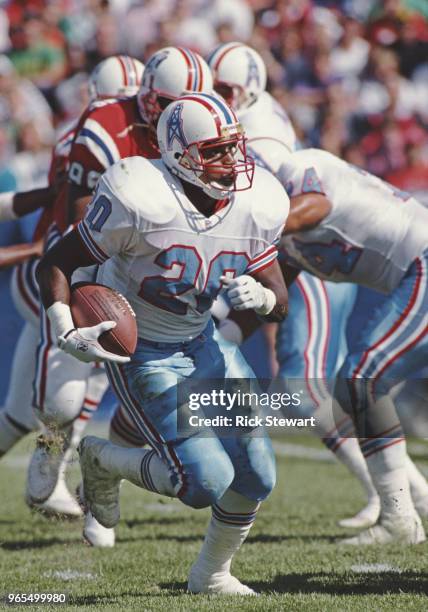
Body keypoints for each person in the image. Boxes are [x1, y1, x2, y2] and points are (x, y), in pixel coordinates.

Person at [35, 92, 290, 595]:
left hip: (203, 342)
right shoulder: (140, 196)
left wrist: (261, 298)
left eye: (233, 147)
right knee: (204, 484)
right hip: (145, 350)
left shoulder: (258, 204)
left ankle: (211, 576)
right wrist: (64, 327)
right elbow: (57, 262)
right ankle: (102, 459)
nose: (231, 162)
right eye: (214, 150)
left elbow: (280, 298)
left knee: (257, 474)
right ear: (177, 154)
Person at [26, 47, 213, 547]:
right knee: (62, 401)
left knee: (144, 393)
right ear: (148, 97)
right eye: (171, 101)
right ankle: (51, 450)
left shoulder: (201, 129)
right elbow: (88, 217)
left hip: (153, 268)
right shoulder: (107, 123)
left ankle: (97, 497)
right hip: (90, 260)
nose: (181, 112)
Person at [208, 42, 381, 528]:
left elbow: (275, 214)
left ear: (250, 89)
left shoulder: (260, 137)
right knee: (222, 341)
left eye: (225, 89)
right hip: (283, 261)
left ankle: (392, 495)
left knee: (304, 390)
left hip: (304, 262)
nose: (216, 96)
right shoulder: (248, 118)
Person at [0, 55, 144, 521]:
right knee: (62, 398)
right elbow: (69, 221)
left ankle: (50, 470)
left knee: (23, 412)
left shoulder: (106, 132)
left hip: (79, 273)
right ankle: (49, 468)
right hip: (62, 277)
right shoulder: (89, 138)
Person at [276, 147, 428, 545]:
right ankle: (406, 512)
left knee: (362, 378)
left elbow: (316, 204)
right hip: (415, 273)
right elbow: (275, 292)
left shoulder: (298, 168)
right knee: (358, 382)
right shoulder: (276, 228)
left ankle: (400, 519)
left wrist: (255, 228)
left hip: (425, 261)